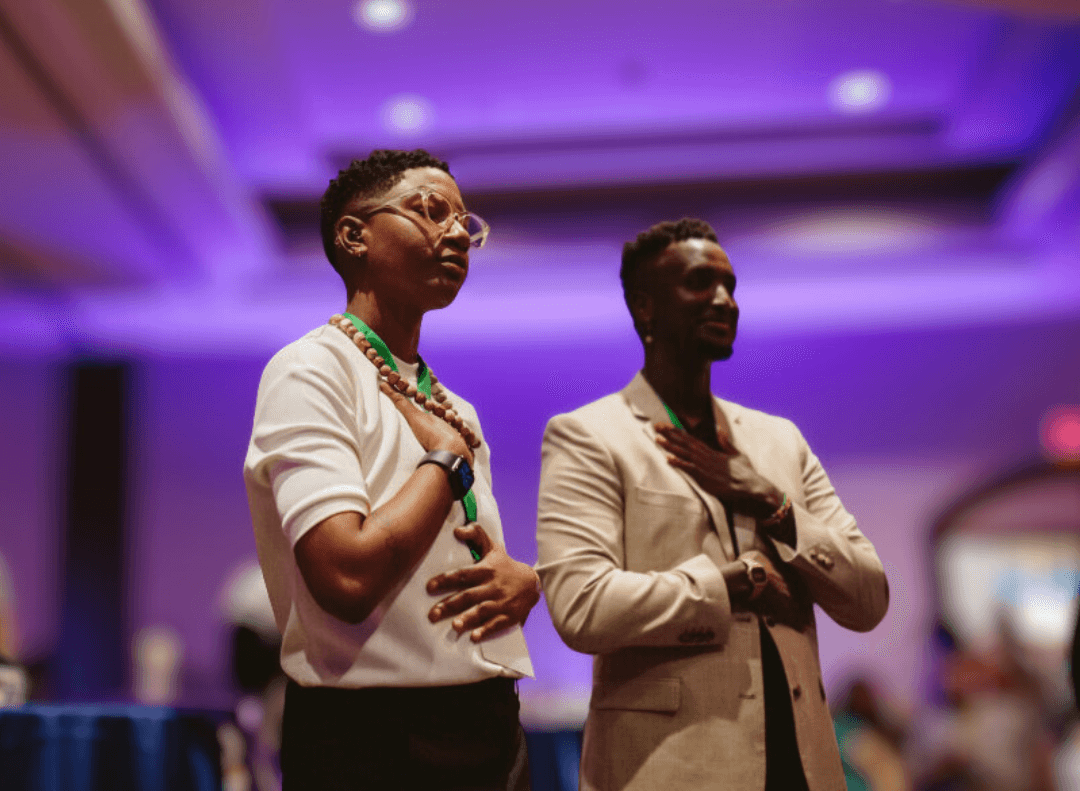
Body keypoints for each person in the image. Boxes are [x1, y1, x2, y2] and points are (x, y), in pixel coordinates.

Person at [535, 218, 889, 791]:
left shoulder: (780, 442)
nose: (724, 300)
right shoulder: (590, 435)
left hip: (802, 766)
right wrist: (734, 582)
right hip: (673, 768)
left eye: (729, 284)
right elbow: (583, 606)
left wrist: (771, 502)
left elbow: (868, 598)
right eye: (700, 283)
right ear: (645, 309)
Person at [244, 149, 539, 790]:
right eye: (430, 211)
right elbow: (344, 578)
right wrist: (444, 462)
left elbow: (462, 558)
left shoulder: (453, 406)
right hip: (372, 736)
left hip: (489, 723)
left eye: (466, 222)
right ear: (354, 236)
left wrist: (522, 583)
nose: (458, 232)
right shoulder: (309, 370)